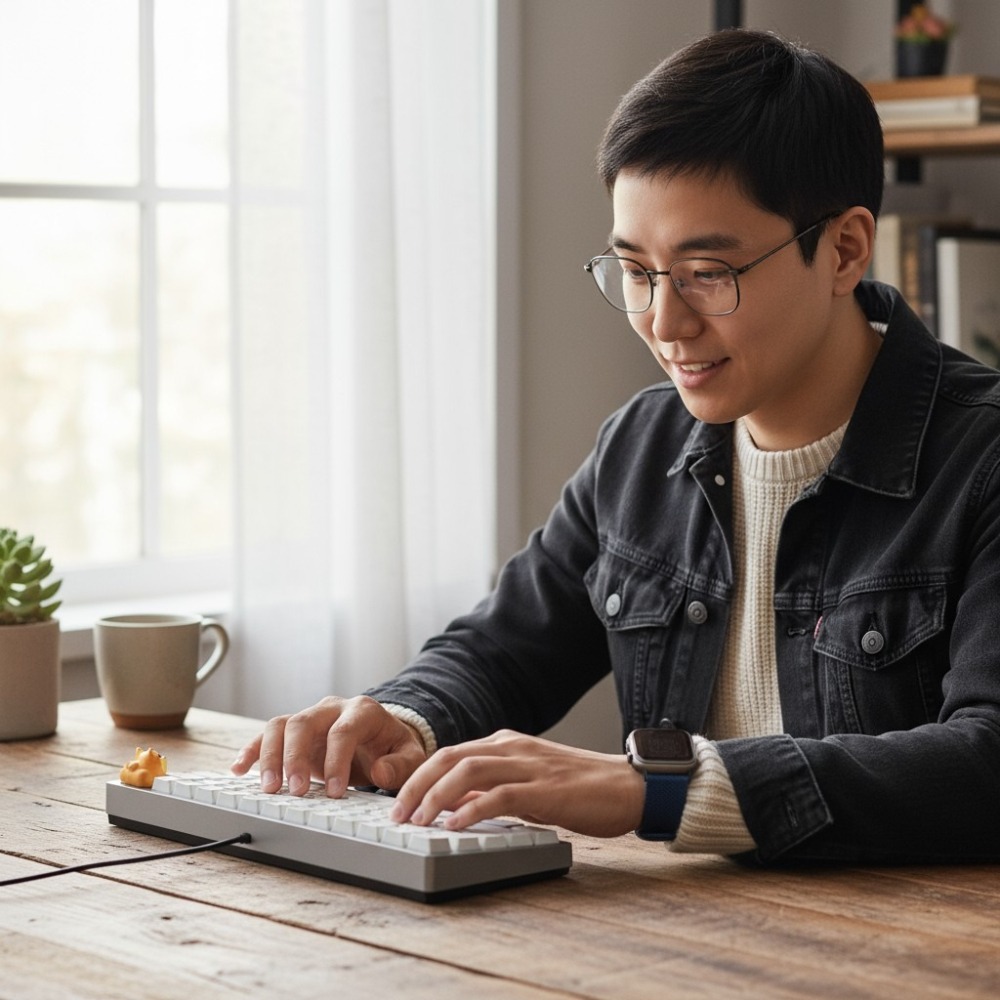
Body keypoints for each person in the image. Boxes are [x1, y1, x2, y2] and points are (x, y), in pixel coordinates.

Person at [233, 28, 1000, 864]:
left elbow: (985, 760)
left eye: (710, 272)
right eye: (636, 270)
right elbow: (505, 647)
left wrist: (660, 787)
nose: (665, 325)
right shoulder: (642, 445)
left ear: (845, 249)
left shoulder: (982, 457)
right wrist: (404, 715)